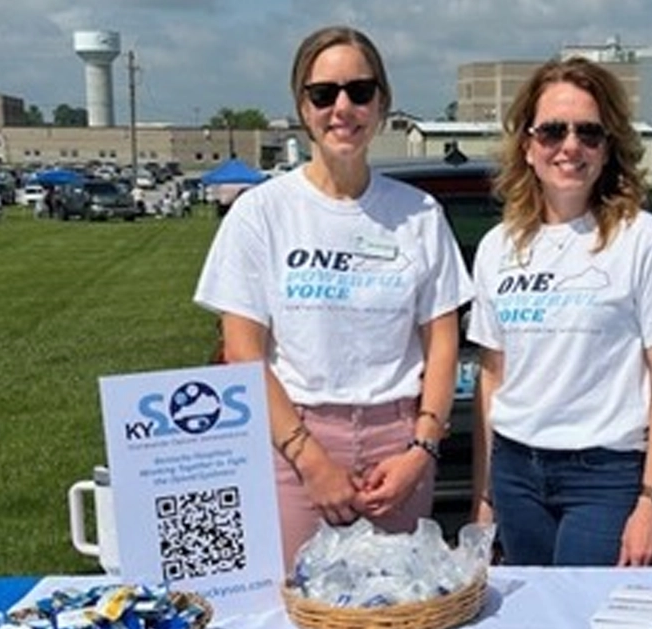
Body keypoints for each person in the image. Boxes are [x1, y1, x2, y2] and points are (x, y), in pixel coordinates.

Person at [194, 25, 472, 573]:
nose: (342, 108)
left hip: (400, 441)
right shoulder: (262, 212)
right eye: (324, 94)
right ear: (303, 106)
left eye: (359, 91)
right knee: (297, 601)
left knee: (400, 598)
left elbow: (442, 343)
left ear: (382, 102)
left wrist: (422, 449)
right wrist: (309, 458)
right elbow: (243, 350)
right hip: (294, 444)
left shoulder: (419, 214)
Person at [467, 57, 652, 567]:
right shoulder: (496, 248)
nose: (569, 146)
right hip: (515, 473)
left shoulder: (644, 240)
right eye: (552, 131)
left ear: (607, 147)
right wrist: (485, 499)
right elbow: (492, 378)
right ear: (527, 147)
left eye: (588, 133)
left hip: (606, 477)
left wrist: (651, 502)